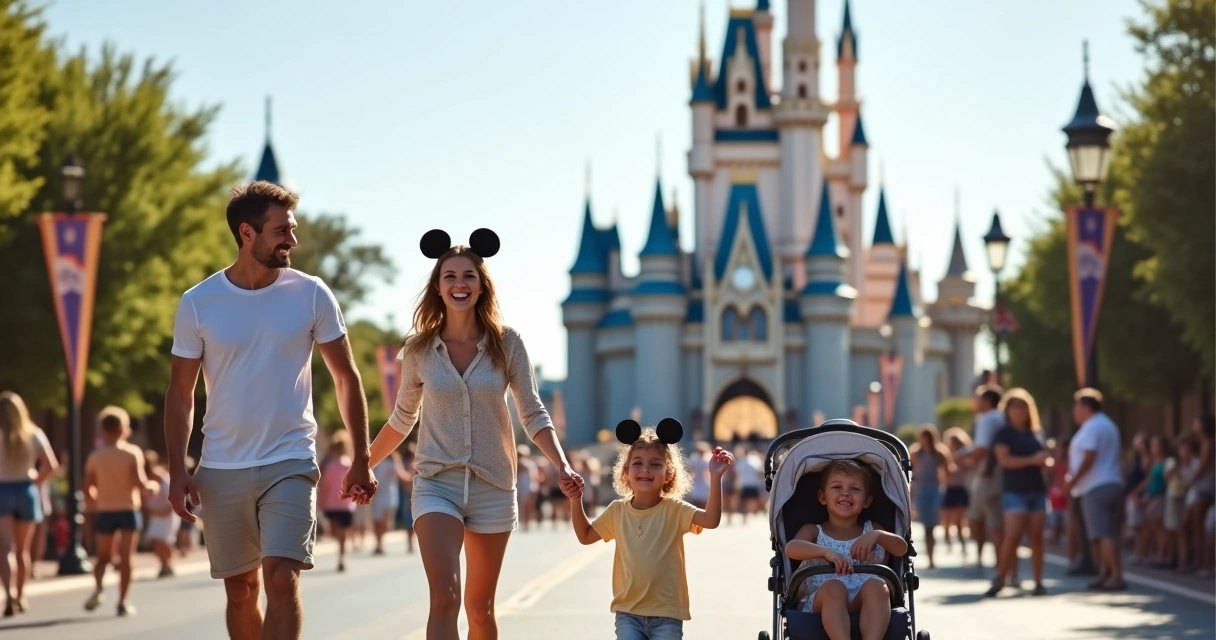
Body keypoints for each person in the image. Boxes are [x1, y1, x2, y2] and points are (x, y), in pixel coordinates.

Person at [164, 181, 376, 640]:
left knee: (282, 576)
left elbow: (346, 378)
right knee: (241, 590)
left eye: (293, 229)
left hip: (290, 459)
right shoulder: (198, 303)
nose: (293, 241)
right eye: (283, 231)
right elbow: (181, 392)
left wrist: (362, 456)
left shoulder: (312, 294)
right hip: (221, 466)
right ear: (247, 233)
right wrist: (176, 468)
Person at [364, 228, 582, 640]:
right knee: (445, 597)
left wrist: (563, 464)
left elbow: (532, 411)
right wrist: (364, 465)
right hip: (436, 484)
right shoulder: (419, 350)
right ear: (438, 286)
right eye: (450, 276)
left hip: (493, 484)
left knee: (479, 610)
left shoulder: (507, 343)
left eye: (468, 276)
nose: (459, 283)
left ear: (482, 286)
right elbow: (401, 419)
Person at [567, 420, 732, 640]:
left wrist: (715, 476)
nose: (645, 469)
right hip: (628, 613)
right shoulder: (617, 510)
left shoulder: (674, 509)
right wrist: (575, 499)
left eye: (655, 464)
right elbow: (585, 536)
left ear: (669, 474)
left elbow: (711, 520)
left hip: (667, 615)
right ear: (626, 471)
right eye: (637, 463)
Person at [787, 459, 909, 640]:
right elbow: (792, 548)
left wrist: (878, 535)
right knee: (834, 588)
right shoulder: (813, 530)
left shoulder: (873, 529)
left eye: (855, 489)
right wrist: (825, 552)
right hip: (824, 598)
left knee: (877, 586)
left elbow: (901, 549)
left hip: (865, 599)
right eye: (837, 487)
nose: (845, 493)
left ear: (867, 501)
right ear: (822, 497)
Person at [83, 406, 159, 615]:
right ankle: (123, 601)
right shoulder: (132, 453)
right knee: (126, 559)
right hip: (127, 510)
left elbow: (87, 487)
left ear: (103, 430)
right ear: (125, 429)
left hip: (105, 510)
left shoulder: (96, 456)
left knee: (103, 557)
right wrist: (152, 487)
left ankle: (98, 589)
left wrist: (94, 500)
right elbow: (139, 482)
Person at [986, 388, 1051, 597]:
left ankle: (1039, 582)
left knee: (1037, 538)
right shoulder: (1003, 433)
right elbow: (1004, 461)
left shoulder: (1036, 432)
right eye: (1014, 407)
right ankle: (1000, 579)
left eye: (1022, 406)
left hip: (1037, 489)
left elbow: (1044, 457)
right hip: (1014, 490)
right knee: (1012, 536)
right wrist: (1032, 460)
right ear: (1008, 410)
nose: (1019, 411)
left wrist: (1046, 462)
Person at [0, 392, 57, 616]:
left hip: (2, 489)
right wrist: (36, 480)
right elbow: (51, 465)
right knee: (23, 550)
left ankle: (8, 595)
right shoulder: (34, 434)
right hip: (26, 489)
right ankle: (22, 595)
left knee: (5, 549)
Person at [1066, 388, 1125, 591]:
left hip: (1096, 485)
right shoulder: (1107, 424)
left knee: (1102, 533)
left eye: (1076, 406)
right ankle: (1105, 573)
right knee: (1106, 533)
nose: (1074, 411)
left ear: (1085, 406)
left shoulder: (1092, 426)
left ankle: (1116, 576)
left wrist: (1073, 480)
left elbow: (1089, 456)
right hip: (1112, 482)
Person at [967, 384, 1006, 574]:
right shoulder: (1001, 417)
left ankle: (1000, 568)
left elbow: (981, 450)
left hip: (988, 476)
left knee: (989, 523)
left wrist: (966, 458)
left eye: (979, 398)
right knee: (995, 523)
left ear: (988, 401)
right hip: (998, 476)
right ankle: (1003, 567)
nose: (976, 402)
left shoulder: (987, 419)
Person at [909, 425, 952, 569]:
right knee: (926, 526)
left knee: (932, 525)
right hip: (921, 489)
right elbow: (912, 473)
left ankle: (932, 557)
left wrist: (943, 487)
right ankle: (930, 557)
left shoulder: (939, 453)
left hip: (934, 489)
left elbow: (947, 471)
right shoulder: (916, 452)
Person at [1182, 412, 1215, 577]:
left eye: (1196, 422)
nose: (1193, 425)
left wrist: (1189, 479)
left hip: (1204, 488)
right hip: (1198, 488)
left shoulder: (1208, 442)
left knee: (1199, 528)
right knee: (1191, 526)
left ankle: (1204, 564)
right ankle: (1198, 561)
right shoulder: (1200, 442)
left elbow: (1203, 467)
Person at [319, 433, 357, 572]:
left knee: (339, 532)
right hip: (336, 504)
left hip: (342, 504)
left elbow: (324, 486)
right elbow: (324, 486)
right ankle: (341, 556)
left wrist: (321, 502)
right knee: (337, 532)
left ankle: (341, 558)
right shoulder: (330, 465)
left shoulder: (346, 463)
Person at [142, 450, 180, 578]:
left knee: (164, 541)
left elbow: (170, 495)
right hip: (156, 514)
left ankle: (168, 564)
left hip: (167, 513)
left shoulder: (163, 477)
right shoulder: (145, 478)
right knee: (156, 540)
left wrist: (168, 510)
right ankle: (164, 564)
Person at [370, 445, 411, 555]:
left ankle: (381, 542)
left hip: (390, 496)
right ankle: (378, 544)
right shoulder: (376, 458)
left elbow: (402, 475)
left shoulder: (394, 460)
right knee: (376, 521)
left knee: (385, 523)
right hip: (376, 494)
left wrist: (413, 475)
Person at [940, 427, 973, 558]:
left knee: (959, 520)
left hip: (961, 488)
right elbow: (945, 472)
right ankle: (948, 543)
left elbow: (967, 466)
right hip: (949, 489)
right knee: (947, 521)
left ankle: (962, 544)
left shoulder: (965, 453)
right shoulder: (946, 454)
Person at [686, 442, 712, 510]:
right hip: (701, 482)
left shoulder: (693, 459)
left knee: (695, 503)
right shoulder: (704, 461)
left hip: (697, 481)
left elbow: (690, 471)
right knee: (702, 503)